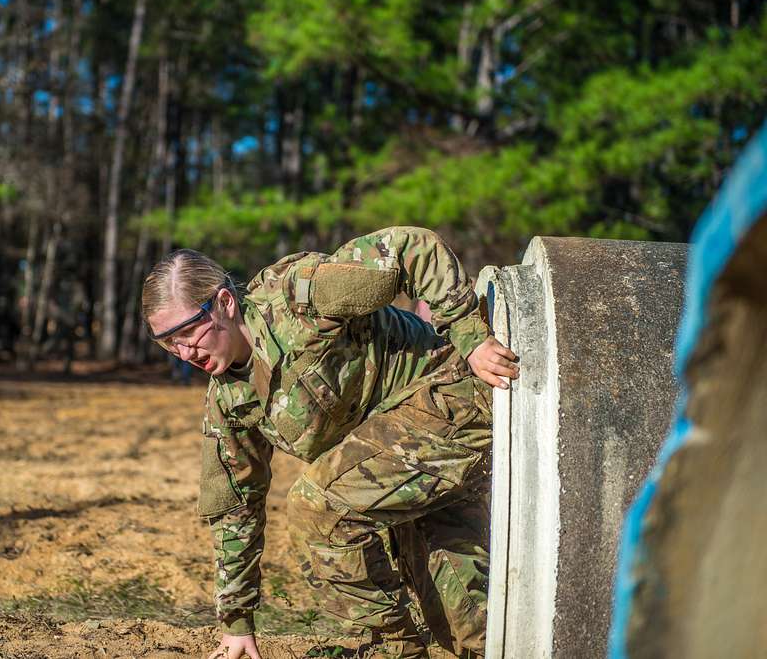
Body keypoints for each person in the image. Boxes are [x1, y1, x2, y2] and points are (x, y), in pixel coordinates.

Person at [142, 227, 519, 659]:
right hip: (402, 467)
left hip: (450, 402)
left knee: (316, 507)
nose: (184, 352)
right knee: (469, 629)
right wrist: (237, 622)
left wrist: (470, 338)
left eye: (188, 331)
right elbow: (236, 508)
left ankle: (394, 649)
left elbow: (411, 249)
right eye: (168, 343)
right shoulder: (228, 400)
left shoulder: (299, 297)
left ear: (225, 303)